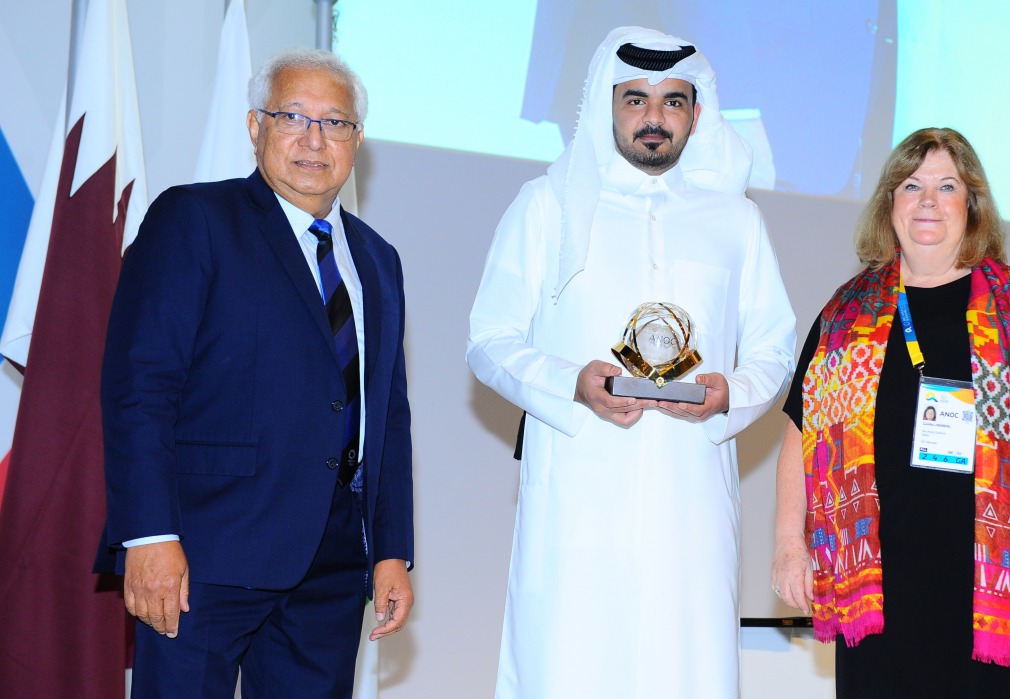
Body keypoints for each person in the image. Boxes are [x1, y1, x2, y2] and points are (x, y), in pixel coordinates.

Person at [467, 26, 796, 699]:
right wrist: (572, 384)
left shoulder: (736, 221)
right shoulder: (547, 206)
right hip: (579, 493)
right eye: (636, 99)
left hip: (691, 500)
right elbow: (489, 338)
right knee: (571, 665)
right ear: (604, 104)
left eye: (673, 102)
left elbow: (775, 343)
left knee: (687, 668)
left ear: (697, 115)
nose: (654, 118)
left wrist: (730, 392)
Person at [95, 48, 414, 698]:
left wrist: (391, 548)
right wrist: (150, 535)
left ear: (357, 139)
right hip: (203, 555)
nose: (313, 139)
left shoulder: (379, 260)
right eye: (292, 116)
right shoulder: (195, 220)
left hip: (331, 562)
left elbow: (388, 414)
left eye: (335, 122)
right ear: (254, 127)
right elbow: (141, 387)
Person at [771, 127, 1010, 697]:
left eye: (947, 186)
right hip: (875, 579)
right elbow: (801, 434)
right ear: (890, 203)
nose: (929, 201)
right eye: (912, 185)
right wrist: (792, 545)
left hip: (988, 577)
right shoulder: (845, 311)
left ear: (972, 205)